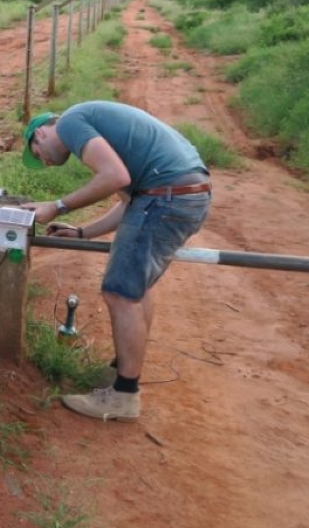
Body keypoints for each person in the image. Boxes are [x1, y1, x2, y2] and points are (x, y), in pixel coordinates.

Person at [21, 100, 212, 421]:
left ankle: (124, 395)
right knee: (137, 288)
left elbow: (114, 176)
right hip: (184, 192)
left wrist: (57, 206)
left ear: (40, 133)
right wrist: (83, 232)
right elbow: (129, 200)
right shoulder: (99, 129)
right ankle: (122, 373)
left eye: (36, 154)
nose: (44, 163)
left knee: (120, 292)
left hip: (167, 195)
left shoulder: (70, 122)